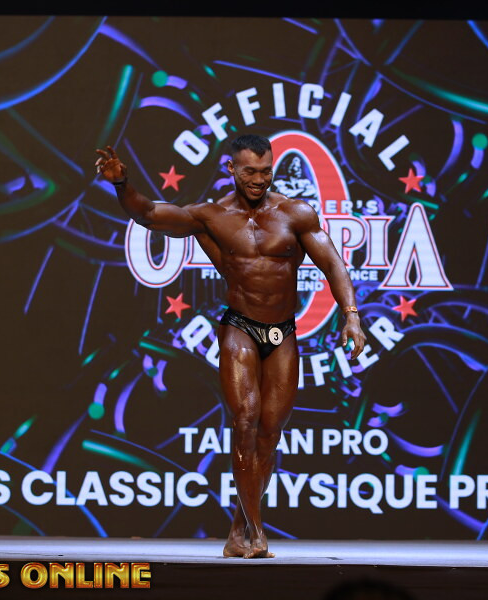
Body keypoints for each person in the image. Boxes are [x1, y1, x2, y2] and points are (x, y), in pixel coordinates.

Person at [96, 134, 366, 558]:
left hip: (282, 333)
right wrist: (121, 184)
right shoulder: (212, 215)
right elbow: (148, 214)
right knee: (245, 421)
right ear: (232, 169)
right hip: (239, 327)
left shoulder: (295, 213)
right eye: (249, 172)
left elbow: (332, 262)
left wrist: (350, 314)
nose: (258, 180)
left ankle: (239, 528)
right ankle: (257, 533)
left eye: (265, 171)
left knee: (269, 434)